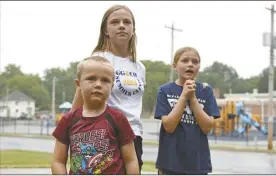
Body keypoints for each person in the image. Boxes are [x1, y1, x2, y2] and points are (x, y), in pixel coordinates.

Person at [71, 4, 146, 172]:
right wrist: (71, 131)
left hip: (133, 135)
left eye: (127, 22)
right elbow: (79, 101)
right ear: (105, 30)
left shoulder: (140, 67)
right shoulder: (98, 59)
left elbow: (134, 103)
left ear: (133, 29)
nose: (121, 25)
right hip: (103, 132)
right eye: (115, 22)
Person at [51, 56, 139, 175]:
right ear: (78, 84)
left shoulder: (118, 119)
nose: (98, 84)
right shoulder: (68, 120)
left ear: (112, 86)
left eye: (105, 80)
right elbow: (58, 162)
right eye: (91, 78)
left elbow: (131, 161)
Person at [154, 47, 220, 175]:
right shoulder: (165, 90)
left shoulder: (206, 91)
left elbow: (207, 127)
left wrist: (193, 98)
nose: (190, 64)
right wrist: (184, 96)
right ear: (175, 65)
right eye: (185, 60)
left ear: (199, 67)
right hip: (170, 164)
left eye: (195, 62)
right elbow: (169, 126)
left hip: (197, 165)